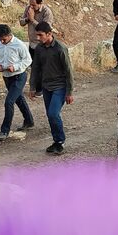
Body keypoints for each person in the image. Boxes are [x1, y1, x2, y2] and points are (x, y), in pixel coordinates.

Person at [29, 22, 74, 155]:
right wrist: (32, 86)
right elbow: (35, 68)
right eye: (37, 35)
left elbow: (68, 71)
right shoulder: (39, 49)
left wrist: (69, 92)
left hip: (60, 87)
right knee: (50, 115)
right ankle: (56, 141)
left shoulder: (60, 48)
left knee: (53, 113)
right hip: (46, 87)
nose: (38, 38)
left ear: (49, 34)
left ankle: (60, 142)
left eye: (40, 35)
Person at [0, 23, 33, 142]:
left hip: (19, 76)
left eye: (4, 39)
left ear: (9, 35)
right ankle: (29, 121)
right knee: (19, 99)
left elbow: (28, 60)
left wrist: (15, 67)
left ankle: (5, 130)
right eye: (0, 39)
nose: (2, 41)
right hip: (6, 77)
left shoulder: (19, 44)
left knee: (9, 102)